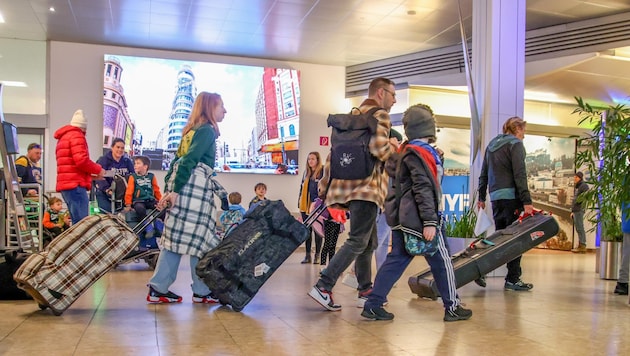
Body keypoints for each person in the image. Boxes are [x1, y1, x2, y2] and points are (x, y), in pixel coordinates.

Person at [361, 103, 472, 322]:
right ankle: (453, 307)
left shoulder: (405, 152)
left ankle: (373, 304)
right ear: (428, 126)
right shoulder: (421, 154)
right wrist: (430, 221)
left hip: (405, 218)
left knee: (396, 260)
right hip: (422, 220)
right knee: (442, 262)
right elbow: (424, 188)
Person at [308, 77, 395, 311]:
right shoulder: (380, 116)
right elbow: (380, 149)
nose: (394, 100)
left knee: (369, 240)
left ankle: (365, 290)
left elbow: (332, 155)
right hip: (368, 189)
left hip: (346, 188)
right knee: (358, 240)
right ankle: (324, 285)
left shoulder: (352, 117)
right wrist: (396, 146)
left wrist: (325, 187)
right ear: (380, 93)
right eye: (392, 94)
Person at [147, 91, 228, 304]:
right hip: (195, 194)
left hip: (183, 191)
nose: (225, 111)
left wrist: (170, 189)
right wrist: (173, 191)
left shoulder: (191, 131)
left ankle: (159, 287)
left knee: (177, 240)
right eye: (221, 106)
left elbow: (177, 162)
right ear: (210, 107)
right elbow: (189, 160)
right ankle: (200, 291)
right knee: (200, 242)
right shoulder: (207, 131)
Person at [477, 116, 534, 291]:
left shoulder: (492, 145)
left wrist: (481, 197)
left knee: (500, 238)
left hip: (496, 198)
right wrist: (527, 201)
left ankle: (481, 269)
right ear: (517, 129)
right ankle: (513, 279)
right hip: (512, 199)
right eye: (523, 131)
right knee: (515, 239)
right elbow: (520, 174)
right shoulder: (515, 145)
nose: (523, 136)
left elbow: (483, 173)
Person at [54, 109, 106, 224]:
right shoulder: (77, 136)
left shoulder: (63, 138)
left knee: (76, 222)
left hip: (66, 185)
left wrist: (91, 176)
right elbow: (81, 161)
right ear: (84, 127)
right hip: (75, 187)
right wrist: (99, 169)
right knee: (82, 225)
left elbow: (71, 167)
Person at [375, 129, 403, 270]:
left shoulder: (384, 159)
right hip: (387, 205)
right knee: (377, 241)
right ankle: (355, 272)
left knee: (383, 242)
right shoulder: (389, 160)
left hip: (386, 205)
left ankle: (381, 273)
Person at [95, 138, 135, 213]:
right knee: (108, 215)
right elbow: (99, 176)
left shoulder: (127, 161)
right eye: (118, 147)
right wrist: (107, 189)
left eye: (122, 148)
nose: (120, 150)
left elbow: (133, 177)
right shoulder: (103, 160)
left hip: (122, 194)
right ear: (112, 148)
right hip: (105, 192)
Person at [298, 151, 324, 264]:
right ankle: (307, 255)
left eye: (313, 159)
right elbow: (301, 190)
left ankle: (317, 255)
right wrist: (299, 206)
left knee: (318, 232)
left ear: (317, 160)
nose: (310, 161)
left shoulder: (322, 173)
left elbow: (324, 190)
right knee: (307, 231)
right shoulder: (306, 173)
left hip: (317, 207)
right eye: (309, 159)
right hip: (306, 207)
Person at [124, 155, 162, 221]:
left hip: (150, 200)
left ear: (145, 166)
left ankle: (159, 224)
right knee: (140, 209)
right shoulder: (133, 177)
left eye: (138, 163)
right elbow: (129, 191)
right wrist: (128, 204)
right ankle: (146, 225)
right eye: (135, 163)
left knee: (160, 209)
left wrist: (161, 201)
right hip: (138, 201)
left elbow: (156, 190)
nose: (135, 165)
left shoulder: (151, 176)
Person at [571, 171, 589, 253]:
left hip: (579, 209)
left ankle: (582, 245)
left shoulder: (583, 186)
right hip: (576, 210)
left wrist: (579, 204)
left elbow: (585, 197)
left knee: (580, 227)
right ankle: (580, 245)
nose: (574, 179)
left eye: (576, 177)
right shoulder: (578, 186)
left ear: (580, 178)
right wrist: (572, 210)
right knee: (578, 228)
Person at [614, 201, 629, 295]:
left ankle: (622, 282)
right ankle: (622, 283)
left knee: (627, 252)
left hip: (627, 223)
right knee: (627, 253)